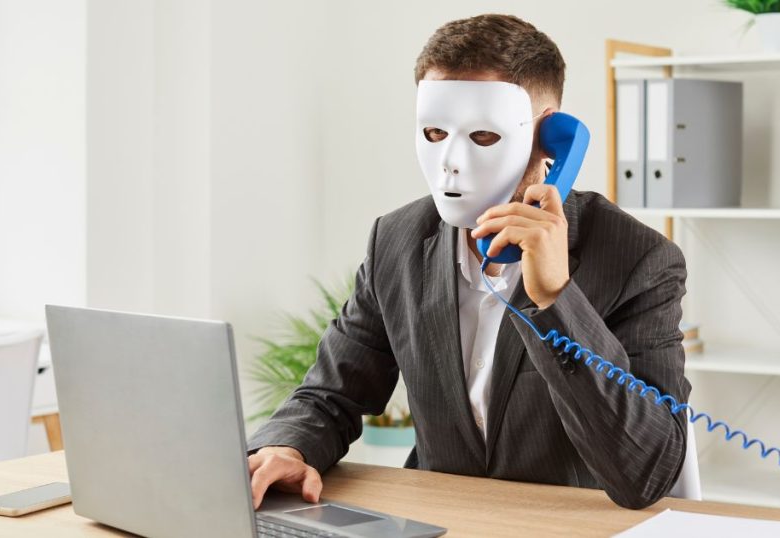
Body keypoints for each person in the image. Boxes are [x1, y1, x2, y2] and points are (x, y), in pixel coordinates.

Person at [247, 13, 690, 511]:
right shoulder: (395, 241)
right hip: (440, 519)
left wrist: (555, 301)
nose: (450, 161)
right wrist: (287, 446)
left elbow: (647, 473)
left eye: (482, 137)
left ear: (551, 139)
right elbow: (333, 394)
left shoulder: (640, 259)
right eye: (435, 132)